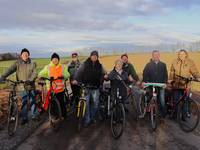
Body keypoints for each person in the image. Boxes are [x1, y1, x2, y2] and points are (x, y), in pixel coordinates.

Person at [0, 48, 37, 125]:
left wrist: (30, 80)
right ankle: (24, 118)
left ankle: (34, 115)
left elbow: (34, 73)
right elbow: (9, 70)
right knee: (24, 102)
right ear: (21, 55)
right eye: (24, 54)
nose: (25, 55)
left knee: (32, 100)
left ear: (29, 55)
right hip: (22, 86)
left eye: (27, 54)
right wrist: (2, 77)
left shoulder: (32, 63)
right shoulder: (17, 63)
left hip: (31, 85)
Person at [72, 50, 105, 127]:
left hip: (95, 88)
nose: (94, 57)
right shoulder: (85, 64)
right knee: (86, 105)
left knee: (95, 105)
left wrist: (101, 81)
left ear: (97, 57)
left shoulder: (100, 66)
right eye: (93, 55)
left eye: (96, 56)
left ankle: (92, 117)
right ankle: (87, 119)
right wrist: (75, 79)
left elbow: (103, 74)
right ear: (90, 56)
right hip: (86, 87)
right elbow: (79, 72)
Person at [169, 49, 200, 116]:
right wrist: (170, 79)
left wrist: (198, 77)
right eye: (180, 54)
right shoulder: (175, 62)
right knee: (176, 100)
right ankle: (175, 114)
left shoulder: (190, 62)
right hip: (176, 84)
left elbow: (194, 71)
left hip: (186, 85)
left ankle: (184, 115)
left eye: (183, 54)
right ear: (178, 55)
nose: (181, 55)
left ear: (186, 54)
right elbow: (172, 72)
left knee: (186, 100)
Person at [38, 53, 70, 118]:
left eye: (56, 59)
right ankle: (56, 115)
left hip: (60, 89)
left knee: (61, 103)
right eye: (54, 59)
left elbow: (68, 74)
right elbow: (41, 73)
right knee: (53, 104)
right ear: (51, 60)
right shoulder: (47, 67)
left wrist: (63, 76)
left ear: (58, 60)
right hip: (51, 89)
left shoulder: (62, 67)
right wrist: (40, 76)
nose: (55, 60)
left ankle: (64, 115)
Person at [143, 50, 168, 118]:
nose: (156, 56)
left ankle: (163, 114)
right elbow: (145, 74)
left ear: (159, 56)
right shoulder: (148, 65)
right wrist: (144, 82)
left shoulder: (163, 65)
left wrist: (165, 83)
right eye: (154, 55)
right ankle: (149, 112)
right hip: (151, 85)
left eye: (157, 55)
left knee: (162, 100)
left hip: (161, 85)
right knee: (150, 98)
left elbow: (165, 75)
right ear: (152, 56)